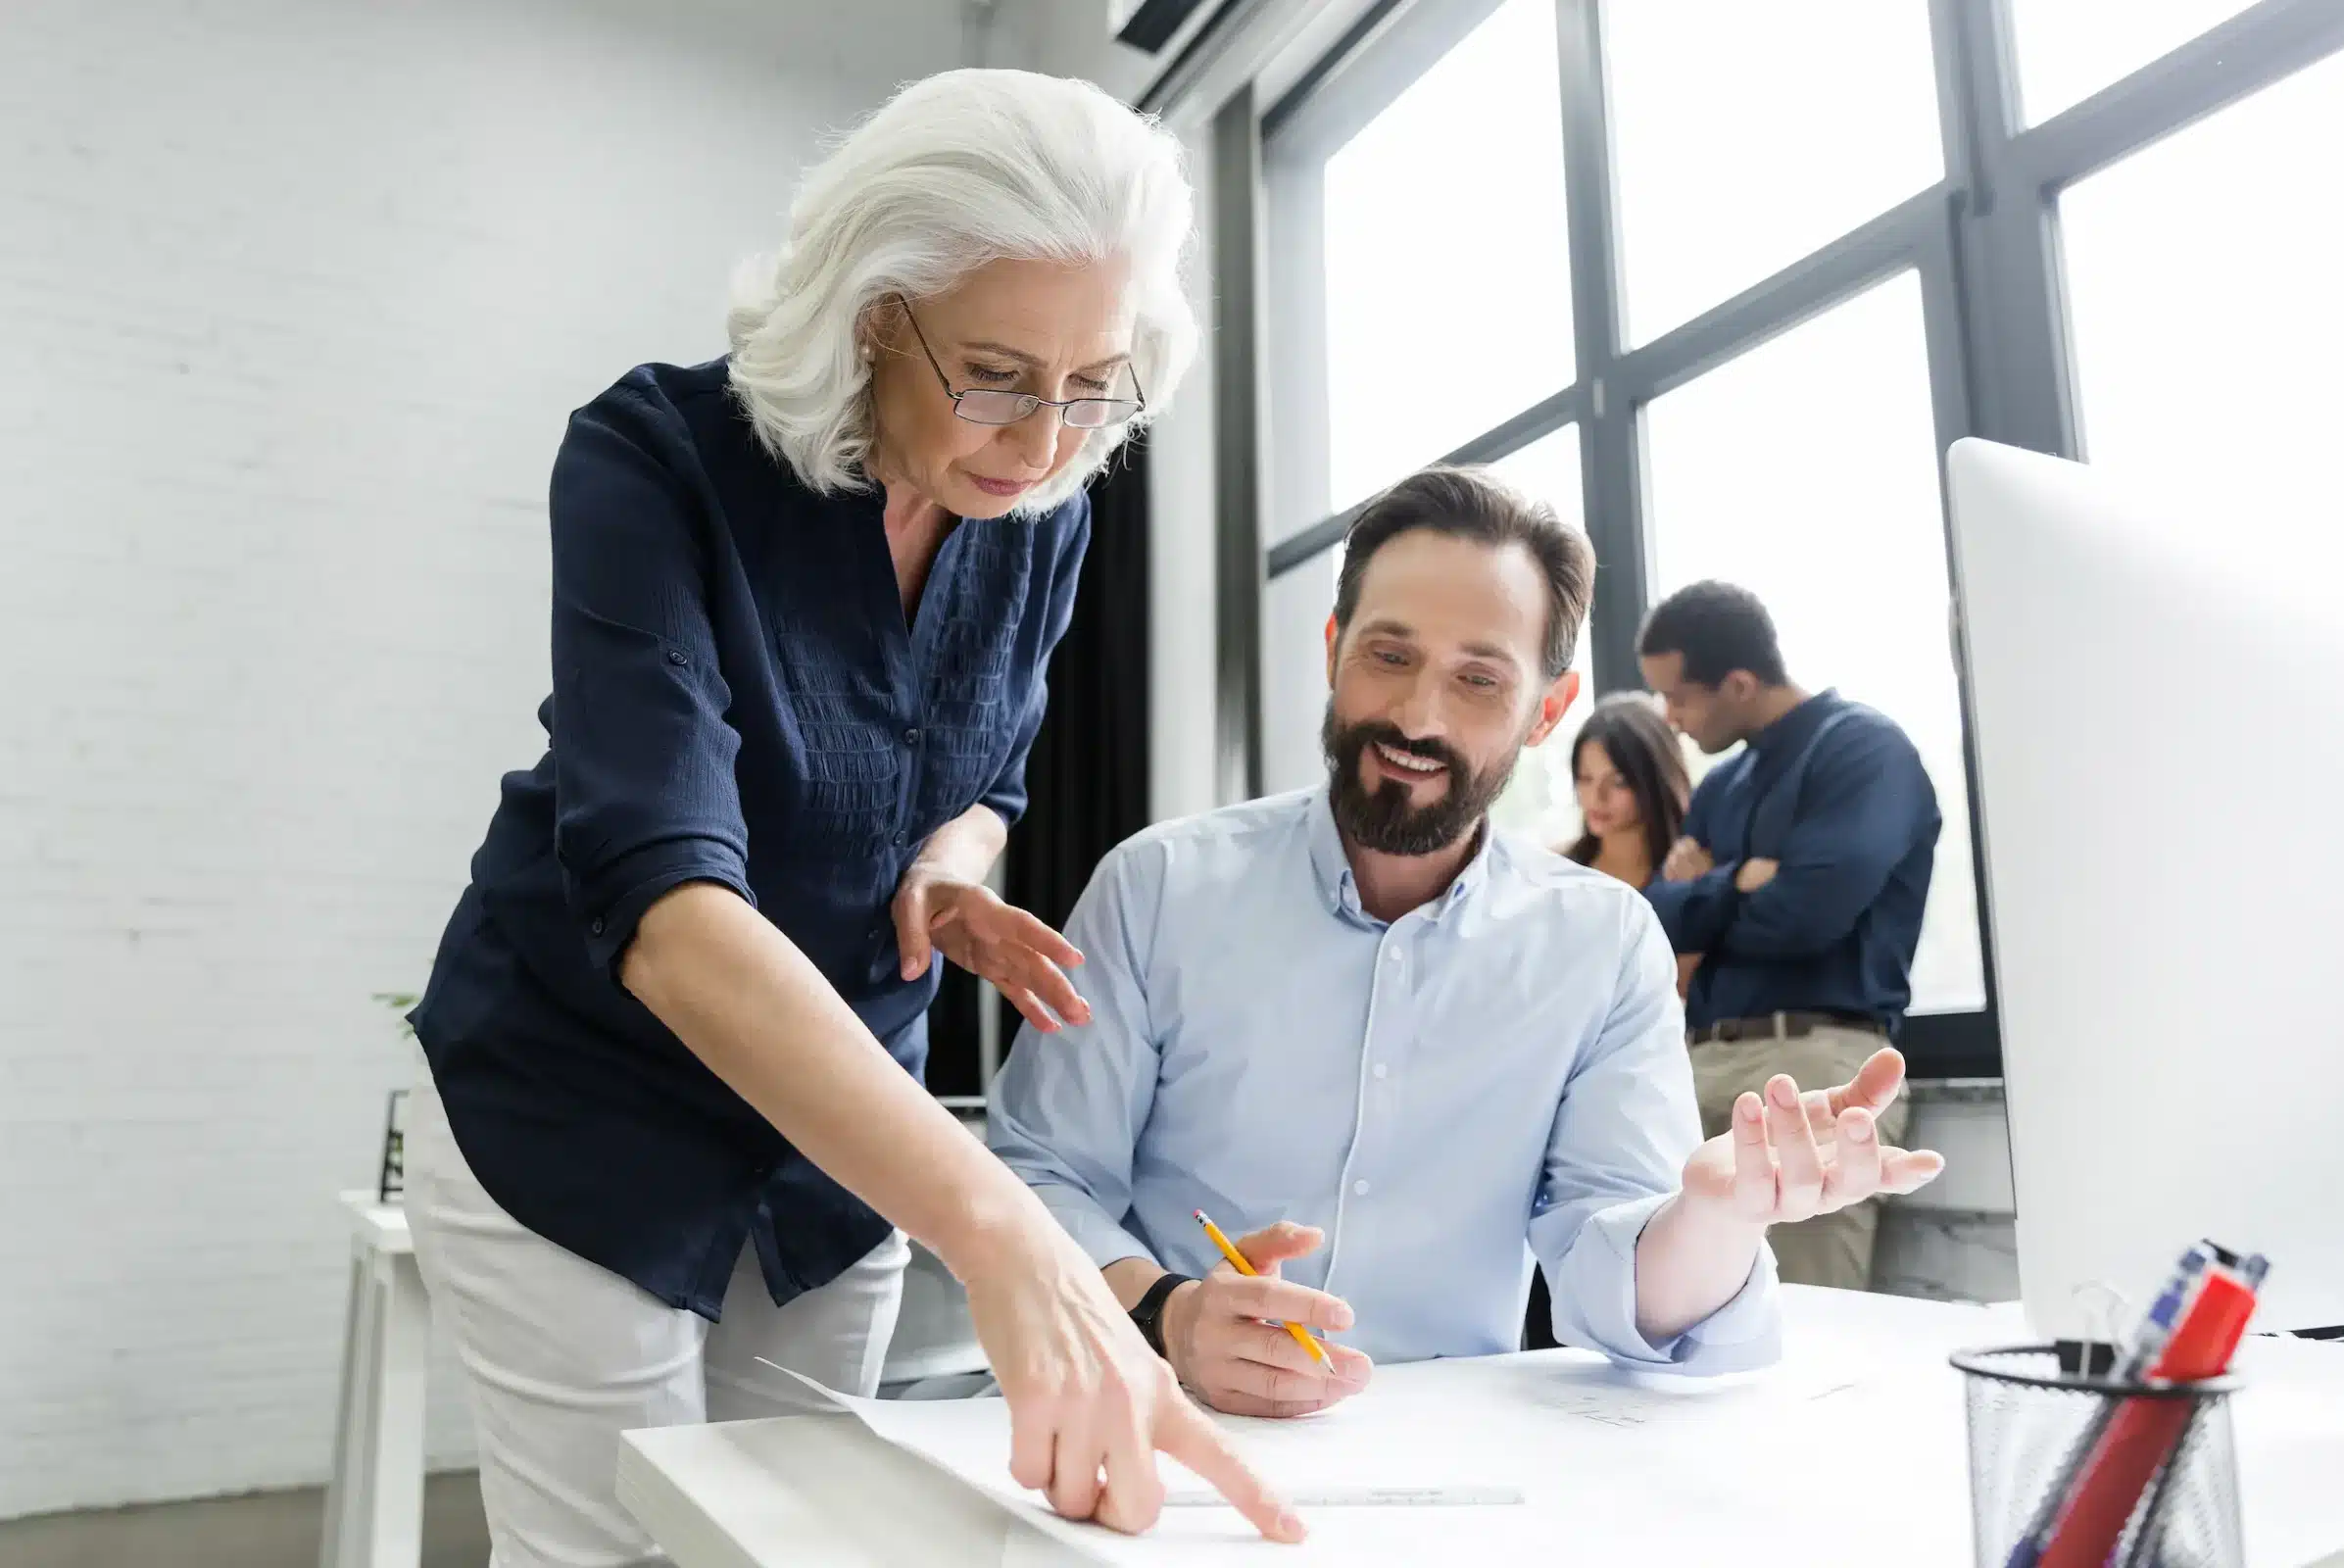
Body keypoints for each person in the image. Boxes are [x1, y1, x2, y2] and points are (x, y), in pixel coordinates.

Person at [399, 71, 1298, 1566]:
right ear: (877, 316)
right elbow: (669, 913)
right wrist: (1007, 1235)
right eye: (997, 376)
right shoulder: (655, 458)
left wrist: (949, 864)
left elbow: (987, 777)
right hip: (582, 1099)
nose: (1044, 440)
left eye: (1094, 384)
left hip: (840, 1140)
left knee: (806, 1542)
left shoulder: (1044, 515)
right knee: (611, 1549)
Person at [988, 468, 1941, 1415]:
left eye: (1479, 679)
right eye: (1389, 655)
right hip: (1148, 1417)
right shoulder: (1159, 887)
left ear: (1547, 710)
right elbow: (1042, 1175)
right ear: (1334, 649)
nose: (1418, 717)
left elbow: (1616, 1276)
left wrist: (1716, 1216)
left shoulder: (1604, 944)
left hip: (1446, 1454)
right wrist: (1165, 1313)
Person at [1636, 580, 1943, 1293]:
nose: (1669, 718)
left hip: (1814, 1063)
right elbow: (1656, 920)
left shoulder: (1864, 751)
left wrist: (1704, 892)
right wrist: (1741, 882)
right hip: (1695, 1065)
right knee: (1678, 1316)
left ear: (1740, 684)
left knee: (1807, 1318)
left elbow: (1806, 916)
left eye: (1679, 697)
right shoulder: (1721, 785)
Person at [1560, 694, 1690, 889]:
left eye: (1618, 783)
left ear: (1654, 780)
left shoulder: (1689, 871)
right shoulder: (1558, 872)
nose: (1597, 797)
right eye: (1586, 778)